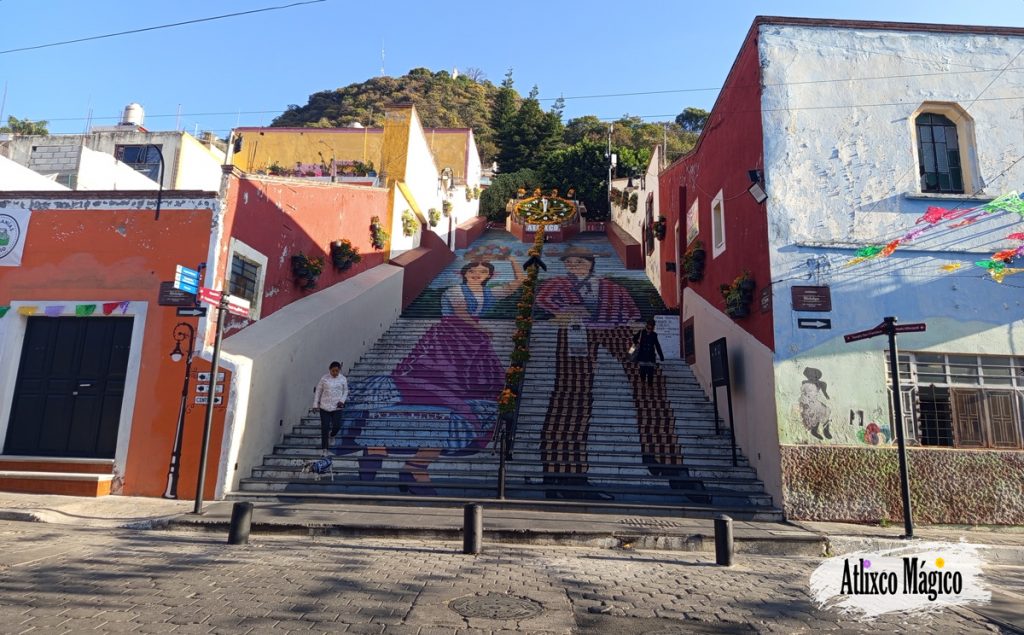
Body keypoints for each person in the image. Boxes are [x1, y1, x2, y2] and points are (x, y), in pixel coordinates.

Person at [537, 245, 706, 502]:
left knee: (650, 382)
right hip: (576, 332)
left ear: (591, 263)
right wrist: (565, 310)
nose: (575, 265)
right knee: (571, 394)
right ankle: (563, 471)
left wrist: (634, 332)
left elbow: (632, 312)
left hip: (617, 331)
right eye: (570, 261)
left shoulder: (611, 286)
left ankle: (663, 456)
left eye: (580, 261)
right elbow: (543, 299)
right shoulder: (558, 284)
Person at [347, 254, 523, 494]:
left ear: (490, 275)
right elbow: (460, 312)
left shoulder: (489, 293)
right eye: (473, 271)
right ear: (464, 273)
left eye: (482, 272)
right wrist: (478, 326)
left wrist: (514, 260)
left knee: (472, 388)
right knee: (434, 382)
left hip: (474, 343)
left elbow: (518, 283)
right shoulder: (454, 291)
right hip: (448, 337)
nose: (477, 275)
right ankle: (393, 457)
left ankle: (412, 464)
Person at [313, 361, 349, 455]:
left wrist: (342, 401)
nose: (335, 373)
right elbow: (318, 391)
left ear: (339, 370)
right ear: (330, 369)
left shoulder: (343, 379)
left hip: (337, 407)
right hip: (324, 407)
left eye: (337, 371)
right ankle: (324, 449)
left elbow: (345, 391)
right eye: (333, 371)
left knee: (337, 426)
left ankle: (332, 435)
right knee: (324, 428)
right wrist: (315, 404)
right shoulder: (324, 378)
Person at [632, 318, 665, 388]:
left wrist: (661, 356)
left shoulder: (654, 335)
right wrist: (637, 343)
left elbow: (657, 345)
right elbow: (634, 338)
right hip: (642, 355)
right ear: (647, 325)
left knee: (650, 373)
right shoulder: (641, 332)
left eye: (653, 326)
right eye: (650, 325)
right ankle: (643, 382)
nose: (651, 327)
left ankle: (650, 386)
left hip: (650, 356)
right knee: (642, 371)